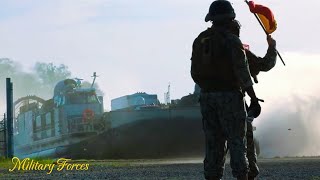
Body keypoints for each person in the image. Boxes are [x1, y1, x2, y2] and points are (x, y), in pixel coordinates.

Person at [190, 0, 261, 179]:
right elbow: (243, 73)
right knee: (237, 142)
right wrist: (253, 98)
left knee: (213, 144)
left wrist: (208, 89)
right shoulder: (232, 41)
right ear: (231, 18)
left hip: (207, 98)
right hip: (230, 97)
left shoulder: (200, 40)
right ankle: (241, 175)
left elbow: (194, 74)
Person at [228, 19, 277, 180]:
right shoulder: (237, 48)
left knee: (216, 144)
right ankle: (248, 174)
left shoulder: (204, 43)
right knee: (243, 140)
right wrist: (272, 46)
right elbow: (264, 64)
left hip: (209, 103)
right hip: (235, 101)